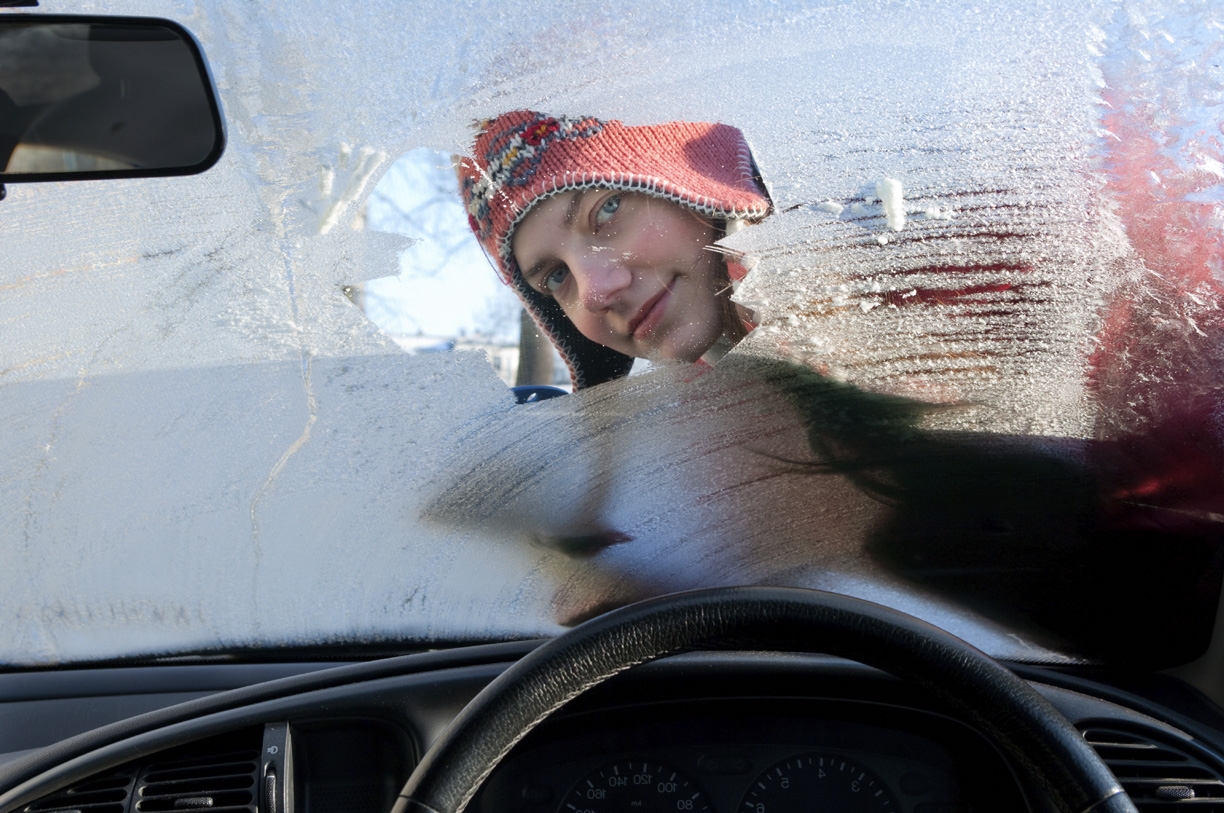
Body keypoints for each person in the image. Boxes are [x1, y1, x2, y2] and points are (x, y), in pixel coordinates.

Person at [458, 111, 772, 389]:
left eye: (607, 209)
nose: (593, 293)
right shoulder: (690, 434)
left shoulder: (818, 301)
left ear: (703, 175)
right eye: (557, 276)